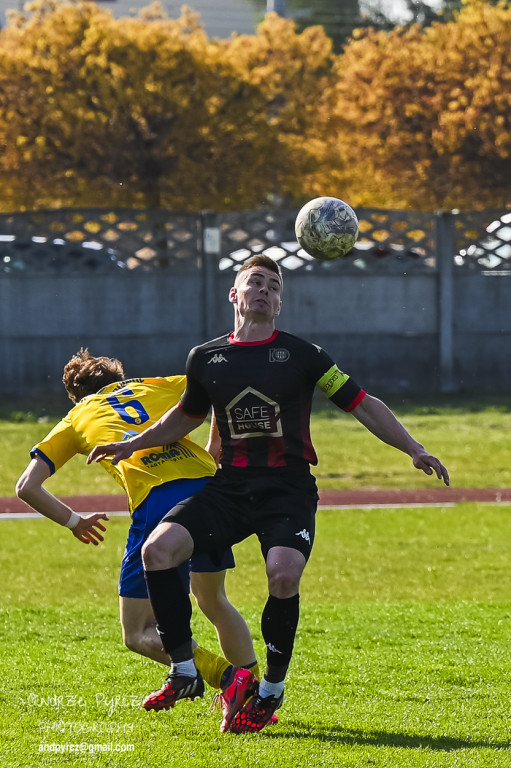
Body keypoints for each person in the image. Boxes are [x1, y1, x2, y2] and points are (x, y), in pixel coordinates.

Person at [88, 255, 449, 734]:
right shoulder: (206, 358)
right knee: (158, 549)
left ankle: (269, 691)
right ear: (234, 295)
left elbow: (363, 404)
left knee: (282, 576)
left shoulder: (305, 355)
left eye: (273, 286)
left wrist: (414, 448)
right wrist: (128, 444)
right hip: (230, 488)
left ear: (279, 304)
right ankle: (185, 669)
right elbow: (184, 417)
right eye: (253, 282)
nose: (263, 290)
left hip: (287, 489)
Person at [16, 348, 265, 732]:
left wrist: (74, 522)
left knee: (137, 633)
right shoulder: (153, 386)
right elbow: (220, 387)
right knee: (213, 599)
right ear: (119, 378)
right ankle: (256, 701)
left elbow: (26, 486)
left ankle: (228, 678)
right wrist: (217, 448)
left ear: (75, 394)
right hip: (208, 491)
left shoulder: (77, 416)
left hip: (158, 501)